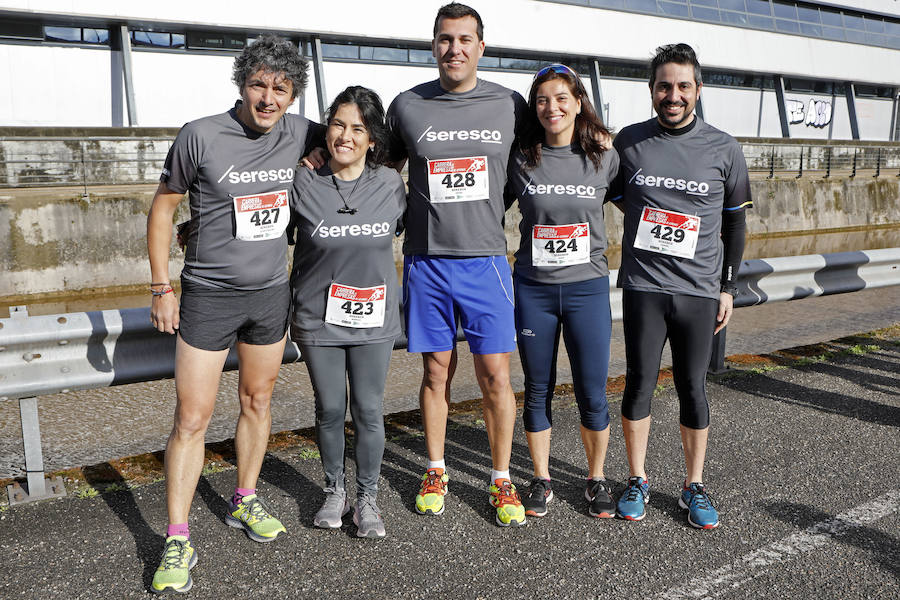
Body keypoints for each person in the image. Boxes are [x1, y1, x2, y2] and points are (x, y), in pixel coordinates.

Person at [146, 34, 323, 593]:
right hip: (208, 294)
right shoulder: (200, 135)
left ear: (293, 95)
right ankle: (177, 536)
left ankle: (244, 497)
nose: (268, 98)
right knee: (192, 419)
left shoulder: (301, 132)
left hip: (271, 293)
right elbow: (163, 209)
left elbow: (359, 136)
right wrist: (160, 287)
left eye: (281, 88)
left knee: (258, 400)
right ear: (241, 84)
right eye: (258, 85)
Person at [385, 2, 528, 527]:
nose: (455, 49)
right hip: (426, 264)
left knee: (495, 375)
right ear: (433, 46)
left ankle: (501, 477)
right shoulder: (407, 106)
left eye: (465, 40)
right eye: (445, 40)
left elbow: (535, 160)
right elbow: (380, 168)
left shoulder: (510, 104)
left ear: (481, 47)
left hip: (487, 262)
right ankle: (437, 467)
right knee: (435, 371)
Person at [607, 43, 751, 529]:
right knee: (639, 384)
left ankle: (694, 485)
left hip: (699, 292)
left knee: (693, 387)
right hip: (645, 287)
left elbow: (735, 227)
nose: (673, 95)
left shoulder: (724, 148)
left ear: (698, 90)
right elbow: (604, 193)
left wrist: (728, 287)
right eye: (664, 86)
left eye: (683, 86)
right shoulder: (628, 143)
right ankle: (637, 479)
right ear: (652, 90)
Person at [289, 86, 405, 539]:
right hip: (319, 317)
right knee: (331, 408)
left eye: (358, 128)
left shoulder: (392, 185)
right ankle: (334, 489)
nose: (346, 136)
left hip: (374, 319)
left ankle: (368, 498)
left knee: (370, 410)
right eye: (338, 124)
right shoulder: (303, 181)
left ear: (372, 138)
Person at [505, 64, 619, 519]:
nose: (551, 107)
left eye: (561, 98)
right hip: (534, 289)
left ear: (578, 102)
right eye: (542, 100)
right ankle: (541, 478)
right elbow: (487, 205)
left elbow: (648, 197)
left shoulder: (605, 157)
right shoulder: (520, 158)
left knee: (592, 390)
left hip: (586, 289)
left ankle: (596, 478)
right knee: (537, 389)